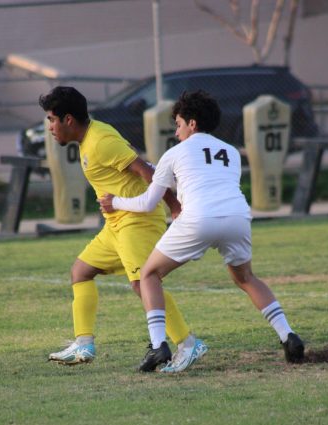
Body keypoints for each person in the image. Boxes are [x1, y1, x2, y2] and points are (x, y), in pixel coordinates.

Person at [98, 90, 305, 372]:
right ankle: (288, 335)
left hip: (197, 218)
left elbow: (148, 202)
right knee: (246, 278)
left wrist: (115, 202)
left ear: (192, 123)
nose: (176, 130)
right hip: (238, 217)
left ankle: (159, 346)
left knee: (148, 274)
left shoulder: (173, 154)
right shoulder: (231, 152)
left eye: (179, 124)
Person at [38, 86, 207, 372]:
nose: (50, 127)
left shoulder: (100, 141)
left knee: (144, 283)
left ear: (68, 119)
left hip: (136, 221)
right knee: (81, 271)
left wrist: (174, 207)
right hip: (115, 223)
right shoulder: (90, 138)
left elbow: (148, 172)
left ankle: (188, 343)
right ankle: (83, 343)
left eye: (52, 119)